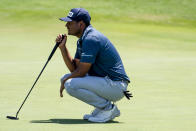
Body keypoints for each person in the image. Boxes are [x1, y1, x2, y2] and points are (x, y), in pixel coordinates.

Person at [56, 8, 131, 123]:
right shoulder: (83, 39)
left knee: (69, 83)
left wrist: (65, 80)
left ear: (81, 24)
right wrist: (63, 48)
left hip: (116, 85)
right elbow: (75, 69)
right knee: (67, 80)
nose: (66, 25)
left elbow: (81, 72)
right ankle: (103, 108)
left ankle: (108, 109)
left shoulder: (91, 38)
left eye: (70, 23)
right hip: (107, 82)